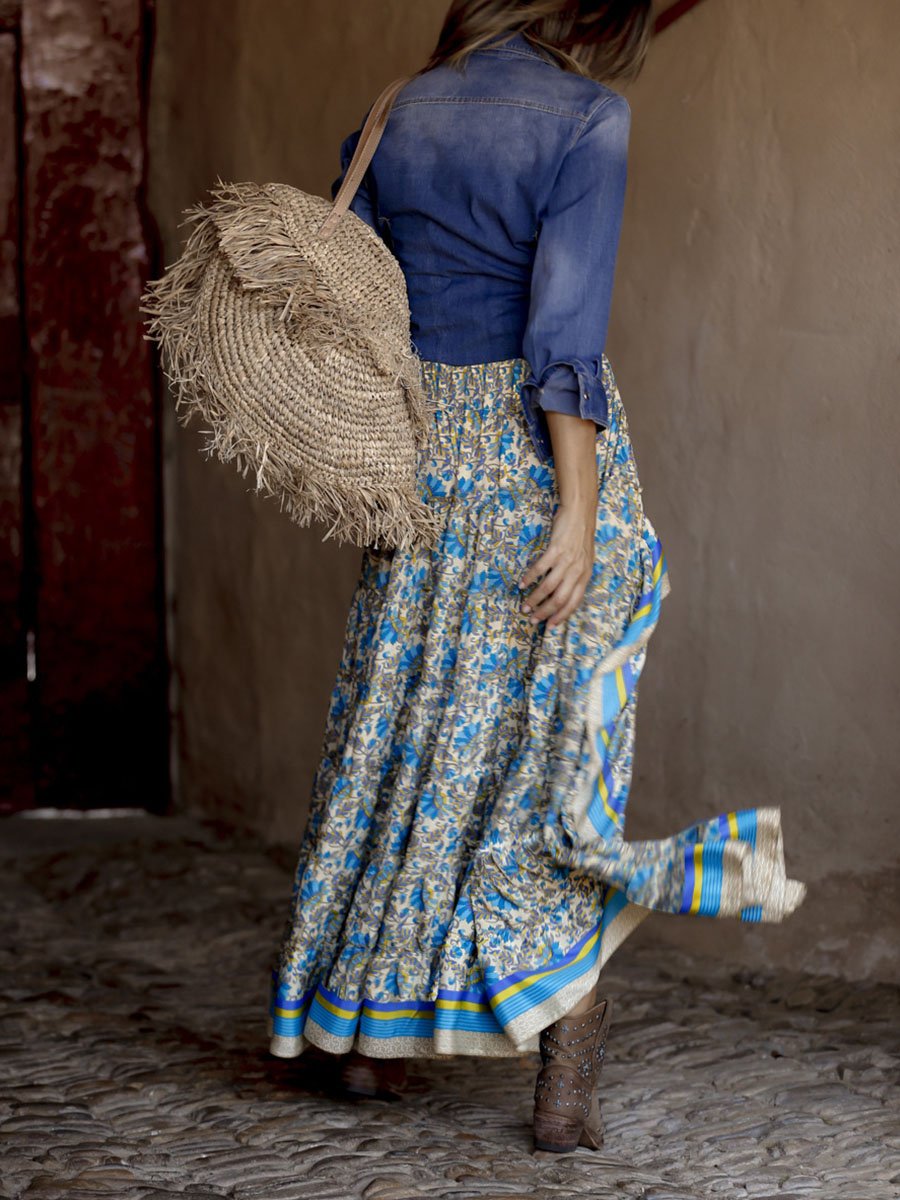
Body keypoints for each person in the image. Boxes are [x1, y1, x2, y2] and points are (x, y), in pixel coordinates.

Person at [267, 0, 806, 1154]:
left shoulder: (391, 114)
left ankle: (366, 1042)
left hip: (417, 477)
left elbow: (349, 297)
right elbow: (565, 333)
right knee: (558, 756)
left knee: (408, 740)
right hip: (529, 471)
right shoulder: (586, 118)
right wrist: (578, 509)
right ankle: (565, 1076)